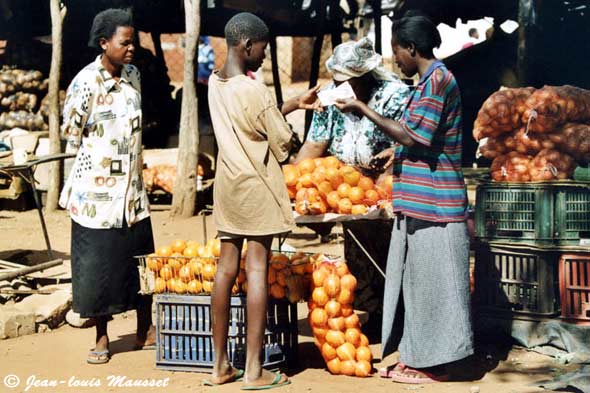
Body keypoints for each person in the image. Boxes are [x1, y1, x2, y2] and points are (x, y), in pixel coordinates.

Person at [334, 15, 473, 383]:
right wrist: (395, 154)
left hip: (437, 205)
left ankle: (438, 365)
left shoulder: (439, 82)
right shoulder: (425, 82)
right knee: (420, 287)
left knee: (437, 289)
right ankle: (419, 356)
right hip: (420, 203)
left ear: (412, 48)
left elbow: (415, 137)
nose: (395, 60)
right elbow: (424, 140)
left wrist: (363, 109)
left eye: (397, 51)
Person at [205, 12, 319, 389]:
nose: (265, 57)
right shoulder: (254, 90)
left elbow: (247, 123)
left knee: (225, 270)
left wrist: (292, 103)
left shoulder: (215, 84)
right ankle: (254, 370)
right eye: (263, 50)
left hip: (228, 187)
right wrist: (294, 123)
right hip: (256, 188)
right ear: (246, 45)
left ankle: (220, 365)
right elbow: (282, 143)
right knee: (257, 269)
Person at [294, 37, 410, 339]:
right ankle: (376, 312)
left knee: (391, 251)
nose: (341, 87)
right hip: (347, 189)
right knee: (359, 252)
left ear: (366, 75)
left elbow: (409, 142)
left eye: (349, 81)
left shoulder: (394, 96)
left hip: (388, 184)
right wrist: (294, 183)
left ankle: (400, 314)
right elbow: (314, 144)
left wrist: (385, 180)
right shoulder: (332, 99)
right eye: (337, 80)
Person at [59, 8, 156, 364]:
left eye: (134, 41)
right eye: (125, 42)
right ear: (104, 43)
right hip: (95, 196)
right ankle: (102, 337)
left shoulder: (134, 76)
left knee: (141, 262)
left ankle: (146, 329)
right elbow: (72, 133)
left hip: (132, 193)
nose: (132, 48)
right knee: (97, 269)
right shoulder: (85, 82)